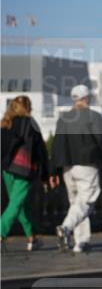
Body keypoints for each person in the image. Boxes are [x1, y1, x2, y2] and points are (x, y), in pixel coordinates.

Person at [51, 84, 102, 253]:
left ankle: (81, 242)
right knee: (86, 202)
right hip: (87, 164)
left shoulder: (63, 118)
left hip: (67, 167)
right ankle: (66, 227)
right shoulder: (93, 116)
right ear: (87, 98)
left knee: (76, 203)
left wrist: (53, 171)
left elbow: (56, 146)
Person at [1, 96, 55, 251]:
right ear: (28, 107)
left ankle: (32, 237)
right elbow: (41, 151)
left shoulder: (5, 123)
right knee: (16, 203)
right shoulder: (31, 124)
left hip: (6, 169)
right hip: (24, 169)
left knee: (18, 203)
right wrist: (45, 175)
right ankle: (1, 232)